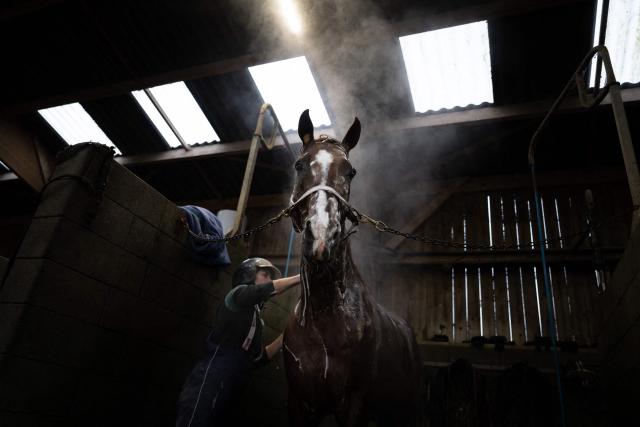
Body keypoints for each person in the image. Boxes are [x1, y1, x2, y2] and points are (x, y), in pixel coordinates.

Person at [176, 258, 300, 427]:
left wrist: (289, 333)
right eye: (265, 275)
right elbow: (261, 291)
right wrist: (301, 277)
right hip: (212, 378)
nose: (270, 280)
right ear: (248, 275)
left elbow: (258, 358)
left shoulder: (255, 319)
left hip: (234, 384)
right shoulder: (236, 296)